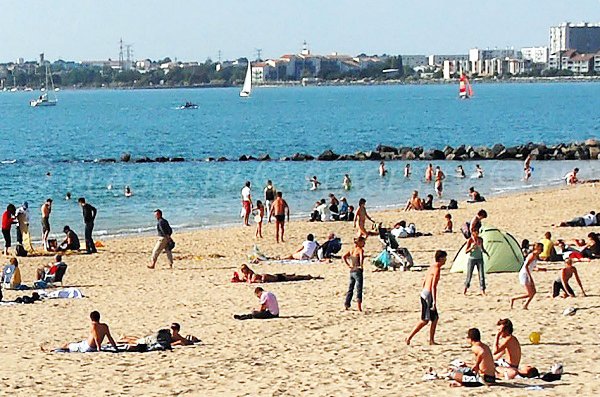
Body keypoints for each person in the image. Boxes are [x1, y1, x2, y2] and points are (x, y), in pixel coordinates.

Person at [406, 250, 447, 345]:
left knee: (435, 318)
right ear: (440, 258)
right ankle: (408, 337)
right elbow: (433, 286)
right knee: (424, 320)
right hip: (428, 294)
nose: (445, 260)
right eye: (444, 258)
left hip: (424, 292)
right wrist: (434, 301)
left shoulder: (432, 267)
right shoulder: (436, 269)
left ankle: (431, 340)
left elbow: (424, 281)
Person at [511, 243, 545, 310]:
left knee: (534, 292)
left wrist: (539, 269)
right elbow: (526, 266)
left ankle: (525, 305)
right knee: (529, 293)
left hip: (527, 273)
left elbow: (531, 266)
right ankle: (514, 298)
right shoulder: (532, 255)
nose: (540, 250)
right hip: (525, 274)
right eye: (539, 248)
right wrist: (530, 277)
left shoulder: (536, 256)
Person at [463, 230, 489, 295]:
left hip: (480, 258)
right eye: (475, 232)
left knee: (481, 275)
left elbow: (482, 248)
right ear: (473, 233)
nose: (477, 234)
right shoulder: (470, 240)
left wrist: (486, 253)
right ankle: (465, 289)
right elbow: (466, 251)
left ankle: (483, 290)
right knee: (469, 275)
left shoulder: (480, 239)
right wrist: (471, 248)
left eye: (477, 232)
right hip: (472, 259)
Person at [343, 236, 365, 311]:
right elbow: (361, 259)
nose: (364, 243)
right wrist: (361, 266)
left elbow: (344, 257)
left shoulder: (352, 249)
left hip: (352, 271)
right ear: (359, 242)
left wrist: (349, 265)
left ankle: (347, 304)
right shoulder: (360, 250)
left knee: (350, 288)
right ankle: (359, 307)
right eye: (363, 242)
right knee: (359, 288)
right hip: (357, 271)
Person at [238, 264, 321, 283]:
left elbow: (252, 281)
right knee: (292, 276)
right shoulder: (249, 276)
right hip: (276, 276)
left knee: (295, 278)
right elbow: (243, 279)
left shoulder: (253, 275)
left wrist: (248, 278)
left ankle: (308, 277)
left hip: (278, 278)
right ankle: (309, 276)